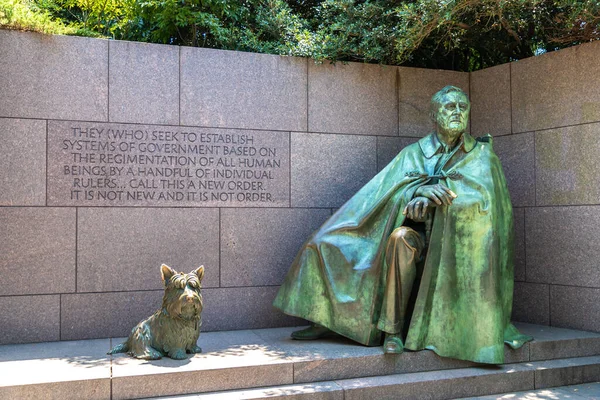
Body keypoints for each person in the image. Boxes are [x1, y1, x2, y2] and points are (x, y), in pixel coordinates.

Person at [273, 85, 532, 364]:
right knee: (345, 241)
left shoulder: (482, 156)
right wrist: (414, 194)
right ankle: (385, 330)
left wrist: (438, 203)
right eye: (449, 107)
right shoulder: (413, 153)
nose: (457, 112)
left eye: (462, 106)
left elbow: (490, 209)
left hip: (455, 246)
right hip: (416, 235)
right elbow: (382, 194)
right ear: (434, 115)